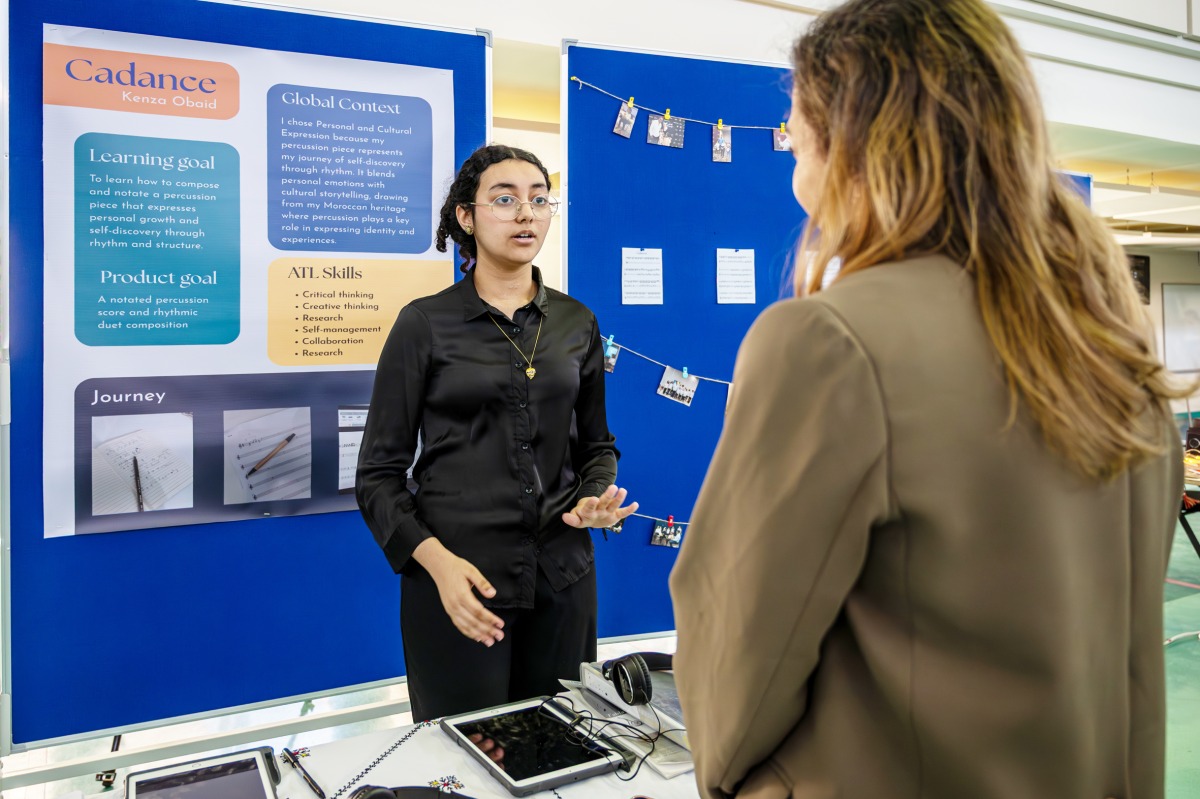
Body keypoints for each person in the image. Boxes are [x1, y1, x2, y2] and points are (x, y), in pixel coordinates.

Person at [669, 1, 1190, 798]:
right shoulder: (1112, 350)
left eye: (795, 131)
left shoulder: (827, 342)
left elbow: (736, 653)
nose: (791, 151)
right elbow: (1134, 675)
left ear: (849, 137)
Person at [357, 144, 637, 721]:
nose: (526, 213)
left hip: (563, 578)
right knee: (466, 752)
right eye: (505, 200)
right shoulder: (423, 324)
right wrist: (437, 565)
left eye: (539, 200)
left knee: (565, 744)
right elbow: (378, 477)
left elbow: (597, 446)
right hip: (461, 583)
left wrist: (593, 497)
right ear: (466, 216)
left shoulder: (577, 322)